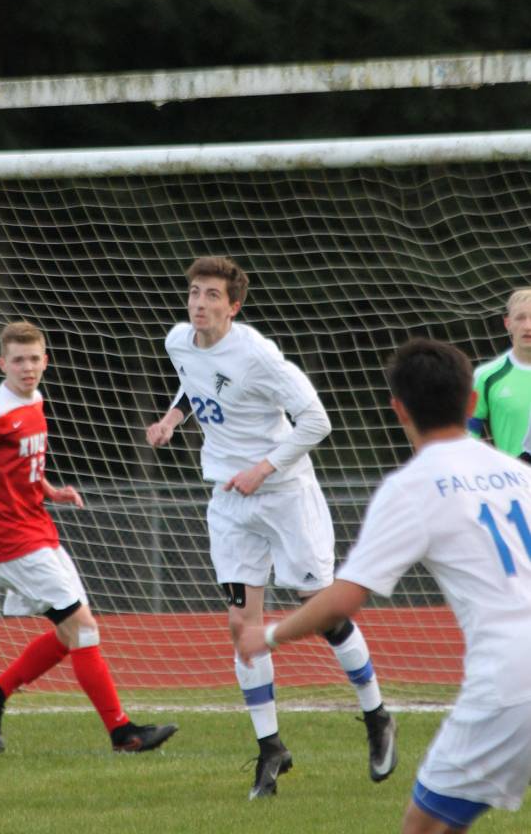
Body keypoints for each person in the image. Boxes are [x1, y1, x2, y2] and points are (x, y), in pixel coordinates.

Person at [238, 338, 531, 832]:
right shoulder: (518, 474)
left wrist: (265, 636)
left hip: (511, 677)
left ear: (398, 409)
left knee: (424, 827)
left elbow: (342, 600)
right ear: (473, 402)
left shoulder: (412, 486)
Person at [146, 256, 395, 799]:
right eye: (194, 292)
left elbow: (316, 421)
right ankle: (270, 748)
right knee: (242, 628)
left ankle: (377, 715)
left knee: (322, 610)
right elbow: (195, 385)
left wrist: (263, 468)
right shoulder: (177, 341)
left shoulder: (258, 354)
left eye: (213, 295)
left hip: (284, 495)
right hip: (230, 503)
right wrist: (171, 419)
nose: (200, 303)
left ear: (234, 306)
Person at [0, 320, 177, 755]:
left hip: (39, 528)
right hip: (12, 541)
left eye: (33, 359)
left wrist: (50, 490)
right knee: (84, 628)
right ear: (2, 363)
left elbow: (19, 465)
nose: (26, 368)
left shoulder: (36, 400)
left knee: (72, 635)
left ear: (45, 361)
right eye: (17, 360)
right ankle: (123, 733)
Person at [468, 287, 531, 456]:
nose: (528, 326)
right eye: (520, 318)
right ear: (507, 323)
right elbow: (468, 433)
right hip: (516, 481)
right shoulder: (486, 377)